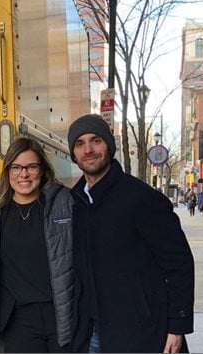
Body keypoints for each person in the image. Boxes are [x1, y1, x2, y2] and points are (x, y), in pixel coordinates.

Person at [67, 114, 194, 353]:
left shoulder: (141, 198)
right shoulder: (75, 202)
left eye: (96, 140)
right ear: (74, 154)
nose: (88, 150)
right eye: (80, 144)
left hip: (141, 331)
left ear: (109, 145)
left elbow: (179, 263)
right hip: (91, 333)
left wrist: (177, 326)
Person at [0, 137, 74, 353]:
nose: (23, 174)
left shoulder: (63, 203)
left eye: (31, 166)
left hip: (61, 314)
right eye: (16, 167)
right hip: (18, 319)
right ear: (7, 171)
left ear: (42, 169)